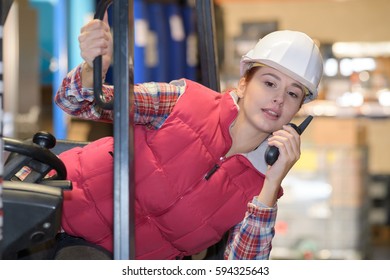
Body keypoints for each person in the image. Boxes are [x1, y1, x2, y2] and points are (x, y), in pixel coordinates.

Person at [53, 15, 323, 260]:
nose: (278, 98)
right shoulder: (182, 101)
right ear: (243, 84)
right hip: (50, 219)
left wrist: (271, 184)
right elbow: (75, 102)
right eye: (269, 83)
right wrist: (92, 68)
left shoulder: (260, 186)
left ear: (298, 111)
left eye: (292, 94)